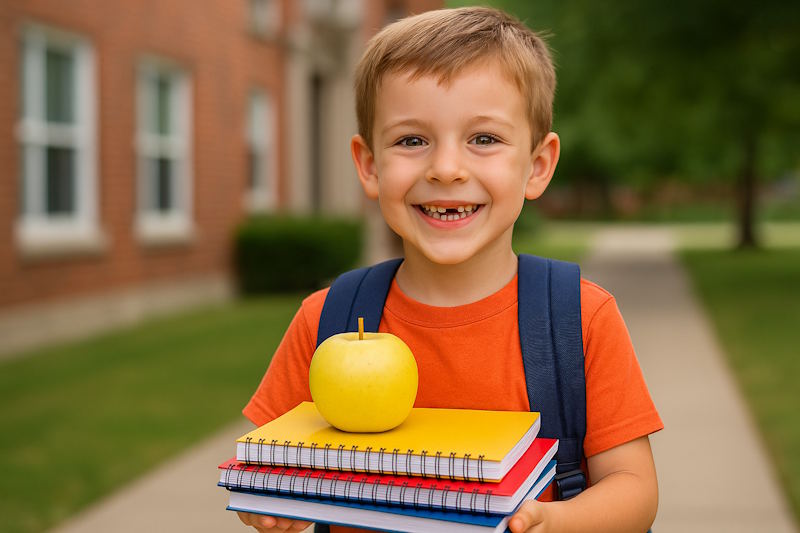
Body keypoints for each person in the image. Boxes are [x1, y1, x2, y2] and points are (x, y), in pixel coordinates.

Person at [237, 6, 663, 533]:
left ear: (537, 166)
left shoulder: (578, 319)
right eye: (412, 141)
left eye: (483, 139)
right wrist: (270, 501)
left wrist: (550, 522)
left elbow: (634, 489)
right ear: (369, 165)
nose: (445, 169)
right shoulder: (328, 320)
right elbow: (262, 470)